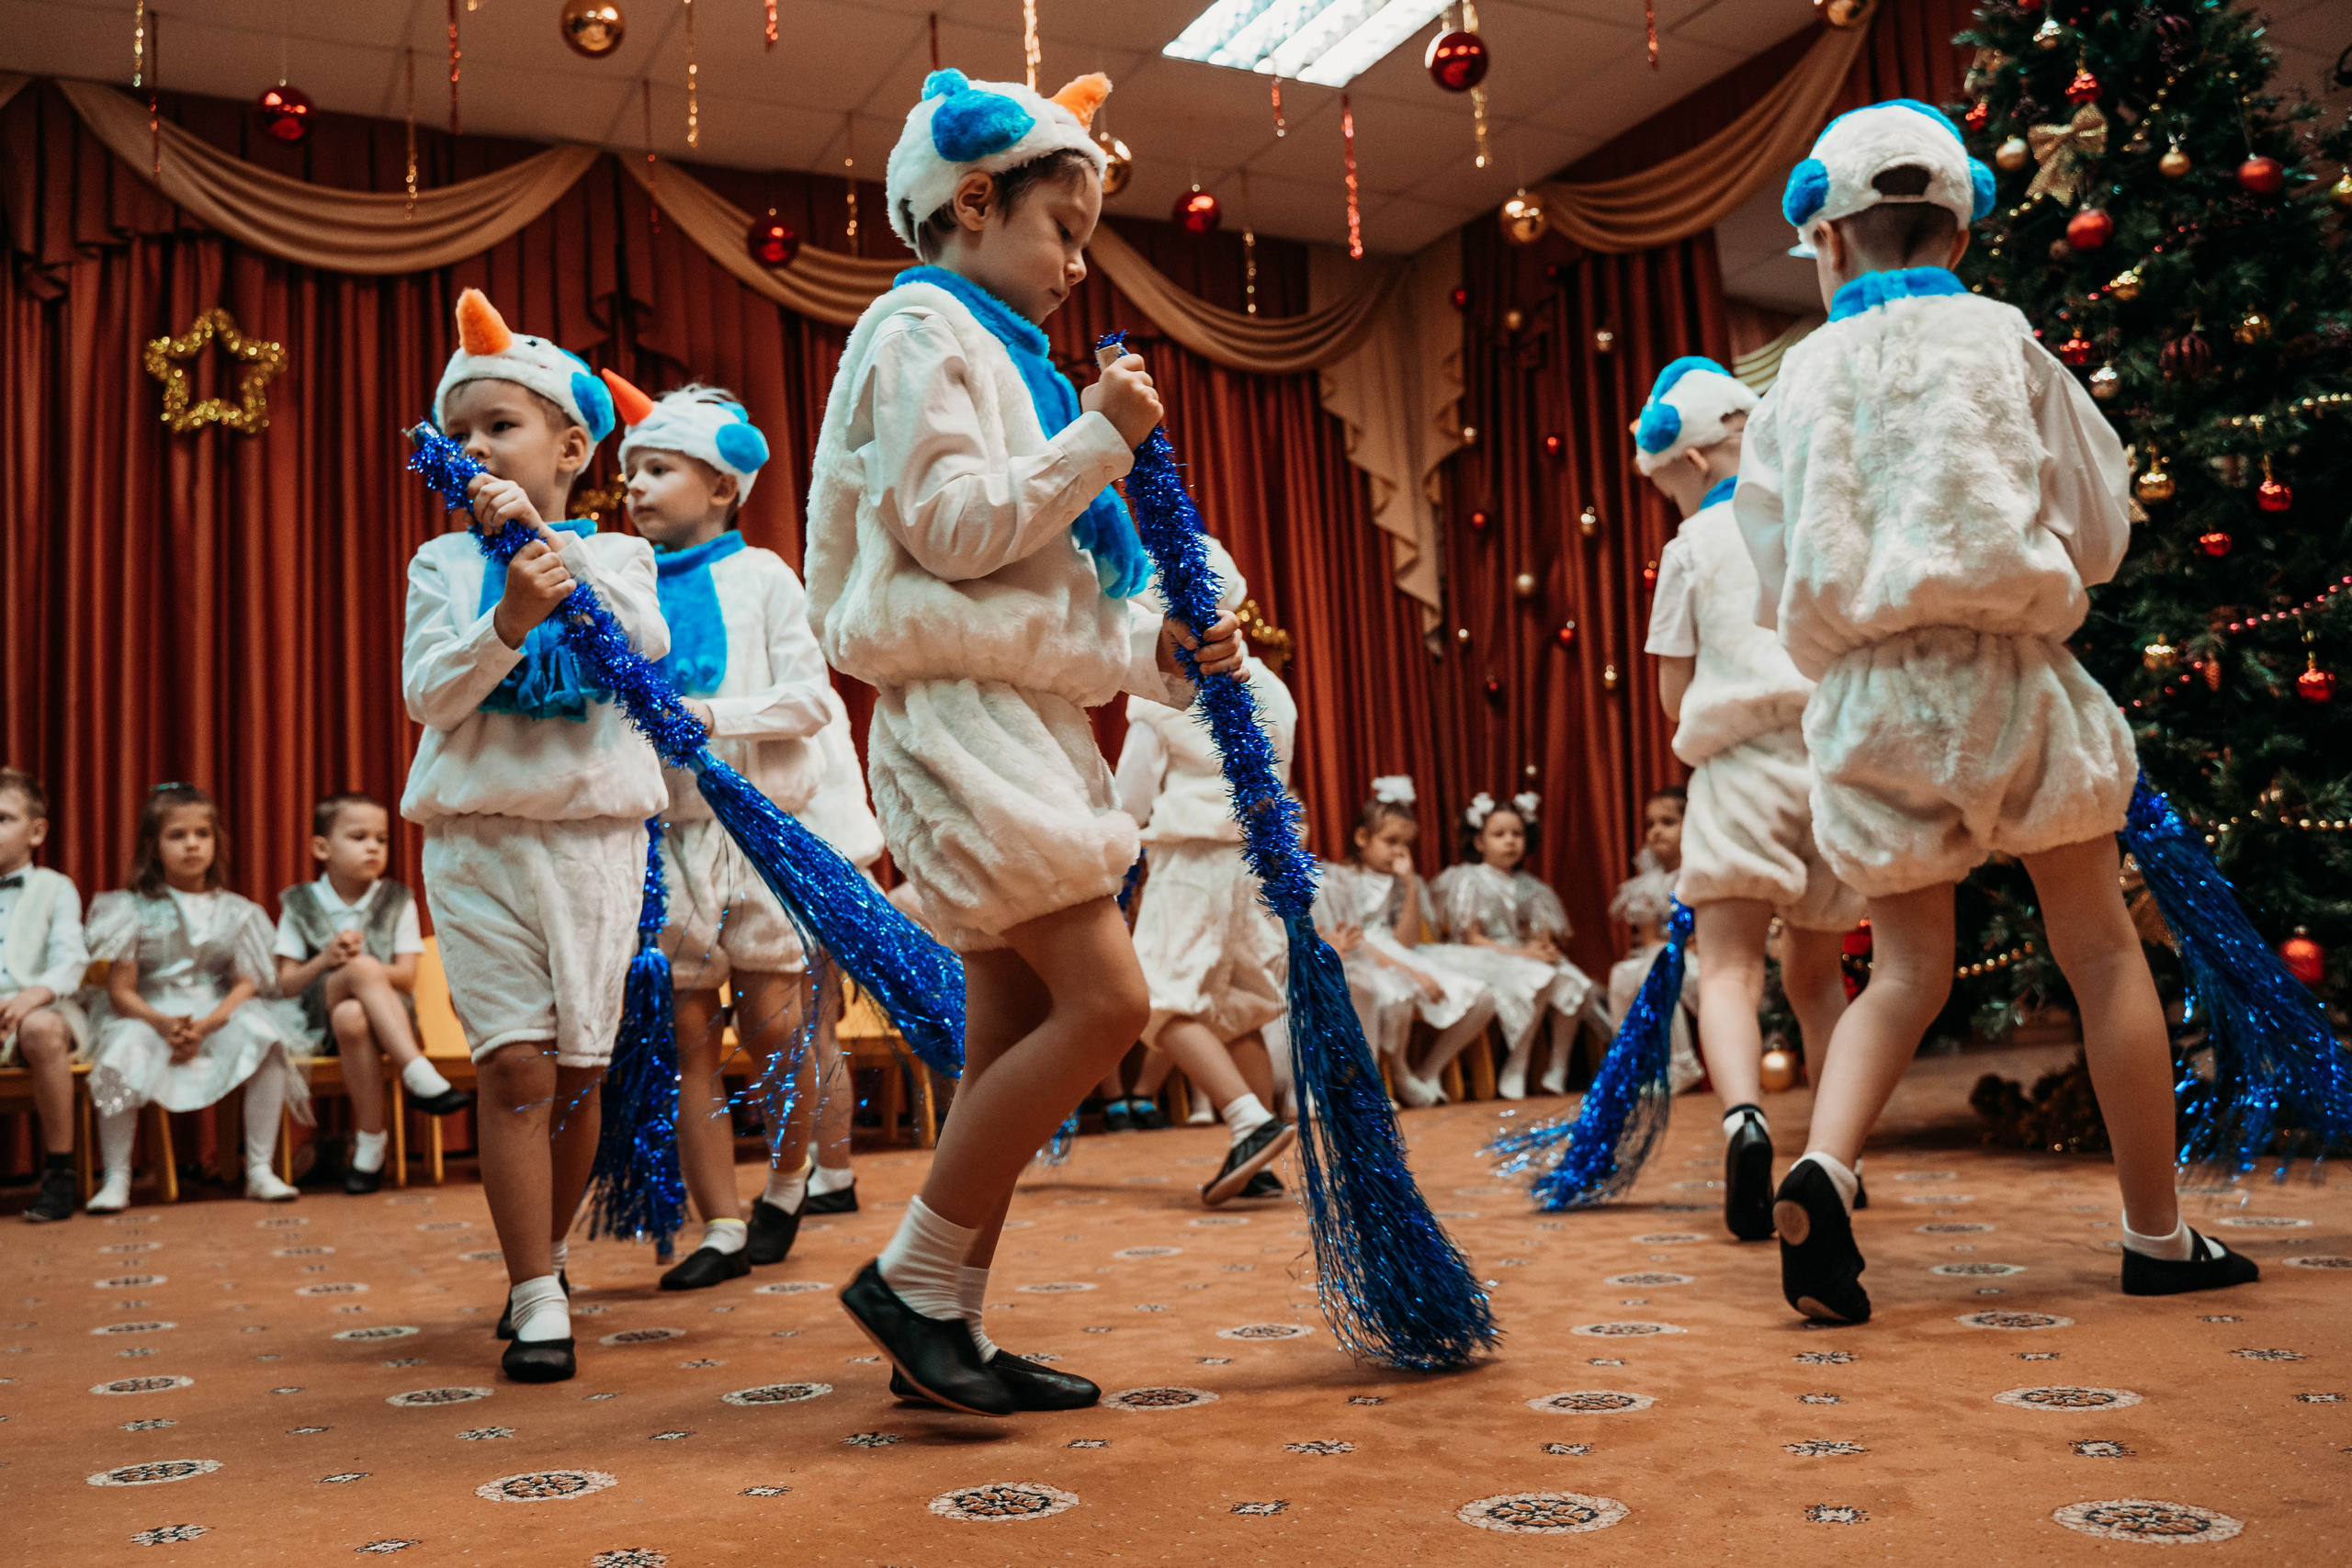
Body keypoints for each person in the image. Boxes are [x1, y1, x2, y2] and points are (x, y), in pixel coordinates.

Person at [1737, 100, 2256, 1320]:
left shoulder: (1797, 379)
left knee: (1905, 968)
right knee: (2098, 947)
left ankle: (1824, 1166)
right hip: (2008, 674)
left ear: (1825, 236)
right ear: (1961, 233)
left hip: (1869, 693)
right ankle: (2156, 1235)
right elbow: (2100, 519)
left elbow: (1772, 563)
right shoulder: (2006, 341)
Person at [804, 67, 1243, 1416]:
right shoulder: (916, 329)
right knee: (1108, 1005)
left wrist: (1157, 651)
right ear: (975, 201)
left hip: (1019, 716)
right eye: (1064, 229)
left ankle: (947, 1325)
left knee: (1004, 1027)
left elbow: (1042, 595)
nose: (1076, 265)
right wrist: (1101, 439)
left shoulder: (1006, 358)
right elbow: (953, 532)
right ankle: (909, 1281)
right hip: (962, 720)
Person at [402, 288, 668, 1381]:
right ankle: (533, 1290)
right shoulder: (440, 567)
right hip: (477, 846)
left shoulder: (623, 558)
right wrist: (506, 619)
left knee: (577, 1073)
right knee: (514, 1068)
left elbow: (643, 647)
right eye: (458, 431)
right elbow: (430, 696)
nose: (474, 447)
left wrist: (555, 558)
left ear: (570, 448)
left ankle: (545, 1262)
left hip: (595, 846)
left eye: (499, 425)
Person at [598, 377, 834, 1292]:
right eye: (631, 471)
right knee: (686, 1037)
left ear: (724, 485)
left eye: (659, 468)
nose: (635, 485)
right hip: (663, 846)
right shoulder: (621, 580)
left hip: (756, 837)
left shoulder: (764, 576)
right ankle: (722, 1225)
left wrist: (707, 715)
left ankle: (788, 1181)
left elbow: (809, 700)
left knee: (776, 1029)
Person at [1634, 356, 1861, 1241]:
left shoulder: (1689, 547)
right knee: (1818, 975)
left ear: (1689, 459)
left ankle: (1744, 1124)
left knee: (1729, 970)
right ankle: (1836, 1156)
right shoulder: (1806, 521)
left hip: (1737, 771)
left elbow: (1671, 694)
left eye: (1666, 485)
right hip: (1825, 764)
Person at [1114, 536, 1298, 1204]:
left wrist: (1109, 844)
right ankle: (1259, 1157)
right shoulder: (1273, 688)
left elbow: (1133, 793)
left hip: (1192, 856)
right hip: (1256, 862)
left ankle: (1249, 1122)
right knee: (1236, 1007)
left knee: (1156, 997)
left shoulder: (1165, 688)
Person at [85, 784, 312, 1210]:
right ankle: (116, 1177)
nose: (192, 844)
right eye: (177, 835)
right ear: (152, 847)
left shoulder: (238, 910)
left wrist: (209, 1024)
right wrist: (163, 1024)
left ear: (215, 842)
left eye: (202, 834)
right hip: (150, 1012)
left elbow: (246, 983)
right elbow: (120, 991)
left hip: (215, 1011)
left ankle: (259, 1169)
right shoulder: (130, 909)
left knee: (266, 1039)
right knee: (119, 1054)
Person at [275, 792, 471, 1196]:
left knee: (352, 1015)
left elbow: (405, 977)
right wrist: (328, 960)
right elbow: (286, 983)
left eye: (381, 839)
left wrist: (363, 972)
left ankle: (371, 1143)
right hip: (316, 1024)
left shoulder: (398, 900)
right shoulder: (299, 903)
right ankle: (417, 1072)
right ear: (322, 848)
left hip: (389, 1021)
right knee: (358, 975)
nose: (373, 847)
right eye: (359, 837)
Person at [1312, 778, 1498, 1108]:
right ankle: (1394, 1071)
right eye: (1390, 841)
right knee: (1397, 994)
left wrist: (1410, 885)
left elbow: (1406, 941)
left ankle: (1428, 1071)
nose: (1400, 851)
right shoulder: (1341, 880)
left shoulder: (1403, 883)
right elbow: (1356, 940)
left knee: (1482, 997)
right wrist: (1411, 974)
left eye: (1406, 844)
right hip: (1362, 955)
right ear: (1362, 838)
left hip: (1398, 951)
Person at [1419, 793, 1601, 1100]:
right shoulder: (1469, 878)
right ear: (1479, 842)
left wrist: (1543, 949)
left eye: (1517, 834)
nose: (1510, 841)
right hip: (1482, 956)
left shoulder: (1532, 886)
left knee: (1574, 982)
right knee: (1538, 976)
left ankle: (1558, 1067)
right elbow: (1472, 938)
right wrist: (1525, 954)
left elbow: (1538, 935)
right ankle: (1517, 1063)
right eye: (1499, 834)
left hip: (1520, 954)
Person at [799, 685, 884, 1216]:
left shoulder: (800, 695)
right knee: (815, 1031)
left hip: (807, 872)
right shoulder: (821, 693)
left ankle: (829, 1172)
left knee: (810, 1033)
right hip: (837, 870)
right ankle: (825, 1168)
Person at [0, 769, 93, 1223]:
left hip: (45, 1006)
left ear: (36, 832)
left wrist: (31, 996)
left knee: (40, 1030)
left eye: (3, 819)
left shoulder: (55, 888)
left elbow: (71, 960)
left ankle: (59, 1173)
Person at [1605, 788, 1703, 1094]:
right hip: (1669, 952)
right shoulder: (1647, 884)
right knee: (1621, 974)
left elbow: (1709, 935)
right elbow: (1649, 937)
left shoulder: (1703, 874)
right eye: (1650, 824)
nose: (1656, 831)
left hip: (1706, 961)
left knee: (1659, 970)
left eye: (1667, 822)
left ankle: (1682, 1062)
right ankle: (1629, 1065)